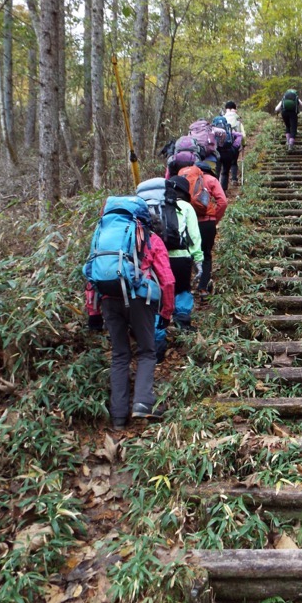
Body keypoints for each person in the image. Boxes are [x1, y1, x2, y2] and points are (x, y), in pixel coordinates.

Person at [85, 199, 175, 430]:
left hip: (107, 299)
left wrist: (93, 313)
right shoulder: (149, 238)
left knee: (120, 354)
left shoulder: (102, 236)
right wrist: (166, 312)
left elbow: (91, 273)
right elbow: (167, 279)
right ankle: (143, 403)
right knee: (146, 351)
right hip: (139, 299)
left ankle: (117, 417)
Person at [136, 176, 204, 334]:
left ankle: (158, 337)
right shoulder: (185, 207)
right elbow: (194, 236)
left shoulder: (146, 207)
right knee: (182, 290)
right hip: (180, 256)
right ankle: (183, 327)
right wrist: (198, 260)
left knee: (157, 297)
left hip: (153, 258)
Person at [179, 161, 228, 307]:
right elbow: (223, 202)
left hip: (188, 222)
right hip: (207, 222)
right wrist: (215, 218)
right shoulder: (212, 180)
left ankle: (187, 287)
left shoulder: (185, 180)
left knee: (190, 253)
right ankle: (203, 289)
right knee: (206, 254)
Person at [223, 101, 246, 186]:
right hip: (235, 144)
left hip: (224, 145)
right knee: (234, 162)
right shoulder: (237, 120)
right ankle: (234, 179)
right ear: (235, 109)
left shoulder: (222, 119)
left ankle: (222, 185)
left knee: (224, 166)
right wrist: (243, 144)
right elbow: (243, 135)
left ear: (226, 109)